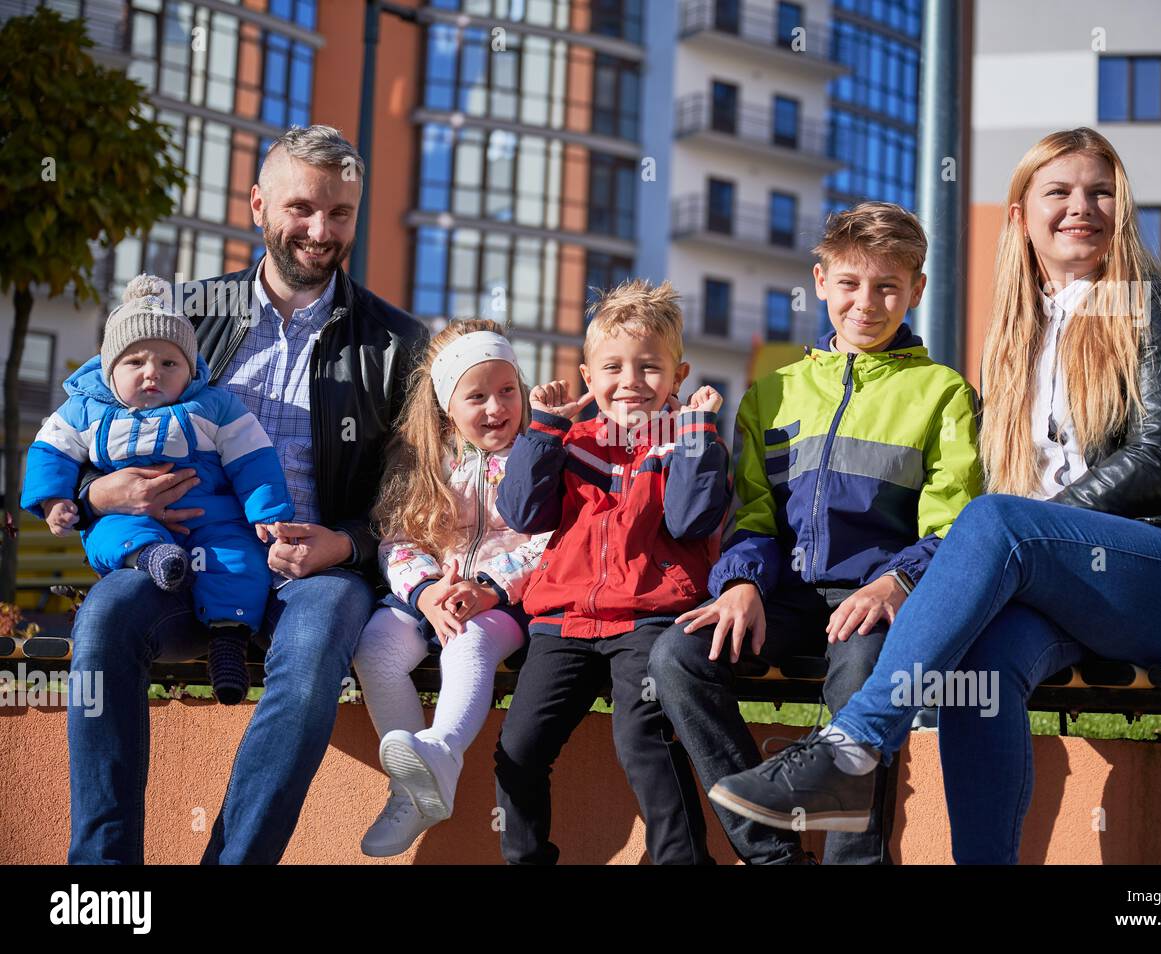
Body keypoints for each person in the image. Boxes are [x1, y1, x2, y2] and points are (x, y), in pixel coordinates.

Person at [710, 127, 1161, 864]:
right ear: (1020, 216)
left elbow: (1159, 462)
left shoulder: (1149, 304)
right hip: (1082, 587)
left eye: (1101, 191)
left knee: (997, 520)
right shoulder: (1022, 337)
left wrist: (1025, 534)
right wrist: (1016, 542)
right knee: (981, 673)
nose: (1082, 207)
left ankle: (850, 748)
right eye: (1058, 192)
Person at [64, 124, 426, 864]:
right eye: (301, 208)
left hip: (313, 577)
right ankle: (103, 877)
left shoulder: (397, 345)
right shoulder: (180, 318)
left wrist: (347, 543)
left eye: (340, 213)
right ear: (257, 203)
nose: (320, 232)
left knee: (322, 630)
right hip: (181, 560)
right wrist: (99, 491)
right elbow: (76, 425)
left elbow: (415, 494)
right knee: (103, 619)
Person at [648, 201, 983, 864]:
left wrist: (897, 582)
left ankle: (853, 862)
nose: (867, 302)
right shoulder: (772, 393)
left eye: (888, 286)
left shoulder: (942, 392)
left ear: (915, 290)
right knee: (675, 661)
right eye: (851, 284)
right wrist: (740, 584)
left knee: (862, 674)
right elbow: (752, 518)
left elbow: (955, 524)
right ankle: (768, 849)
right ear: (821, 280)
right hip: (786, 598)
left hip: (879, 599)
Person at [493, 279, 728, 864]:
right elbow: (522, 512)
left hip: (648, 619)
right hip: (563, 623)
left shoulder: (685, 441)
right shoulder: (571, 440)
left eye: (650, 368)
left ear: (679, 377)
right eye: (614, 367)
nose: (630, 382)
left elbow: (694, 520)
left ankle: (681, 859)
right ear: (589, 376)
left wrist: (697, 436)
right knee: (518, 749)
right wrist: (543, 427)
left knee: (641, 740)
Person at [22, 274, 294, 705]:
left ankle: (229, 640)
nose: (153, 373)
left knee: (237, 558)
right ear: (110, 370)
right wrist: (56, 499)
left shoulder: (211, 406)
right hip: (127, 518)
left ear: (190, 369)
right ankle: (151, 557)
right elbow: (49, 451)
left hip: (210, 519)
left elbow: (252, 457)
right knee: (111, 535)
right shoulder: (84, 409)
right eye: (135, 363)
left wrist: (265, 511)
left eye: (169, 364)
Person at [351, 318, 552, 857]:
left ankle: (440, 752)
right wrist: (424, 592)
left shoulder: (536, 456)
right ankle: (412, 794)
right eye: (478, 396)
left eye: (507, 390)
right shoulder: (427, 463)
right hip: (433, 595)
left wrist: (489, 586)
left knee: (470, 643)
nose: (496, 408)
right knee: (375, 647)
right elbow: (397, 540)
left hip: (505, 603)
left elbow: (554, 540)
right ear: (446, 407)